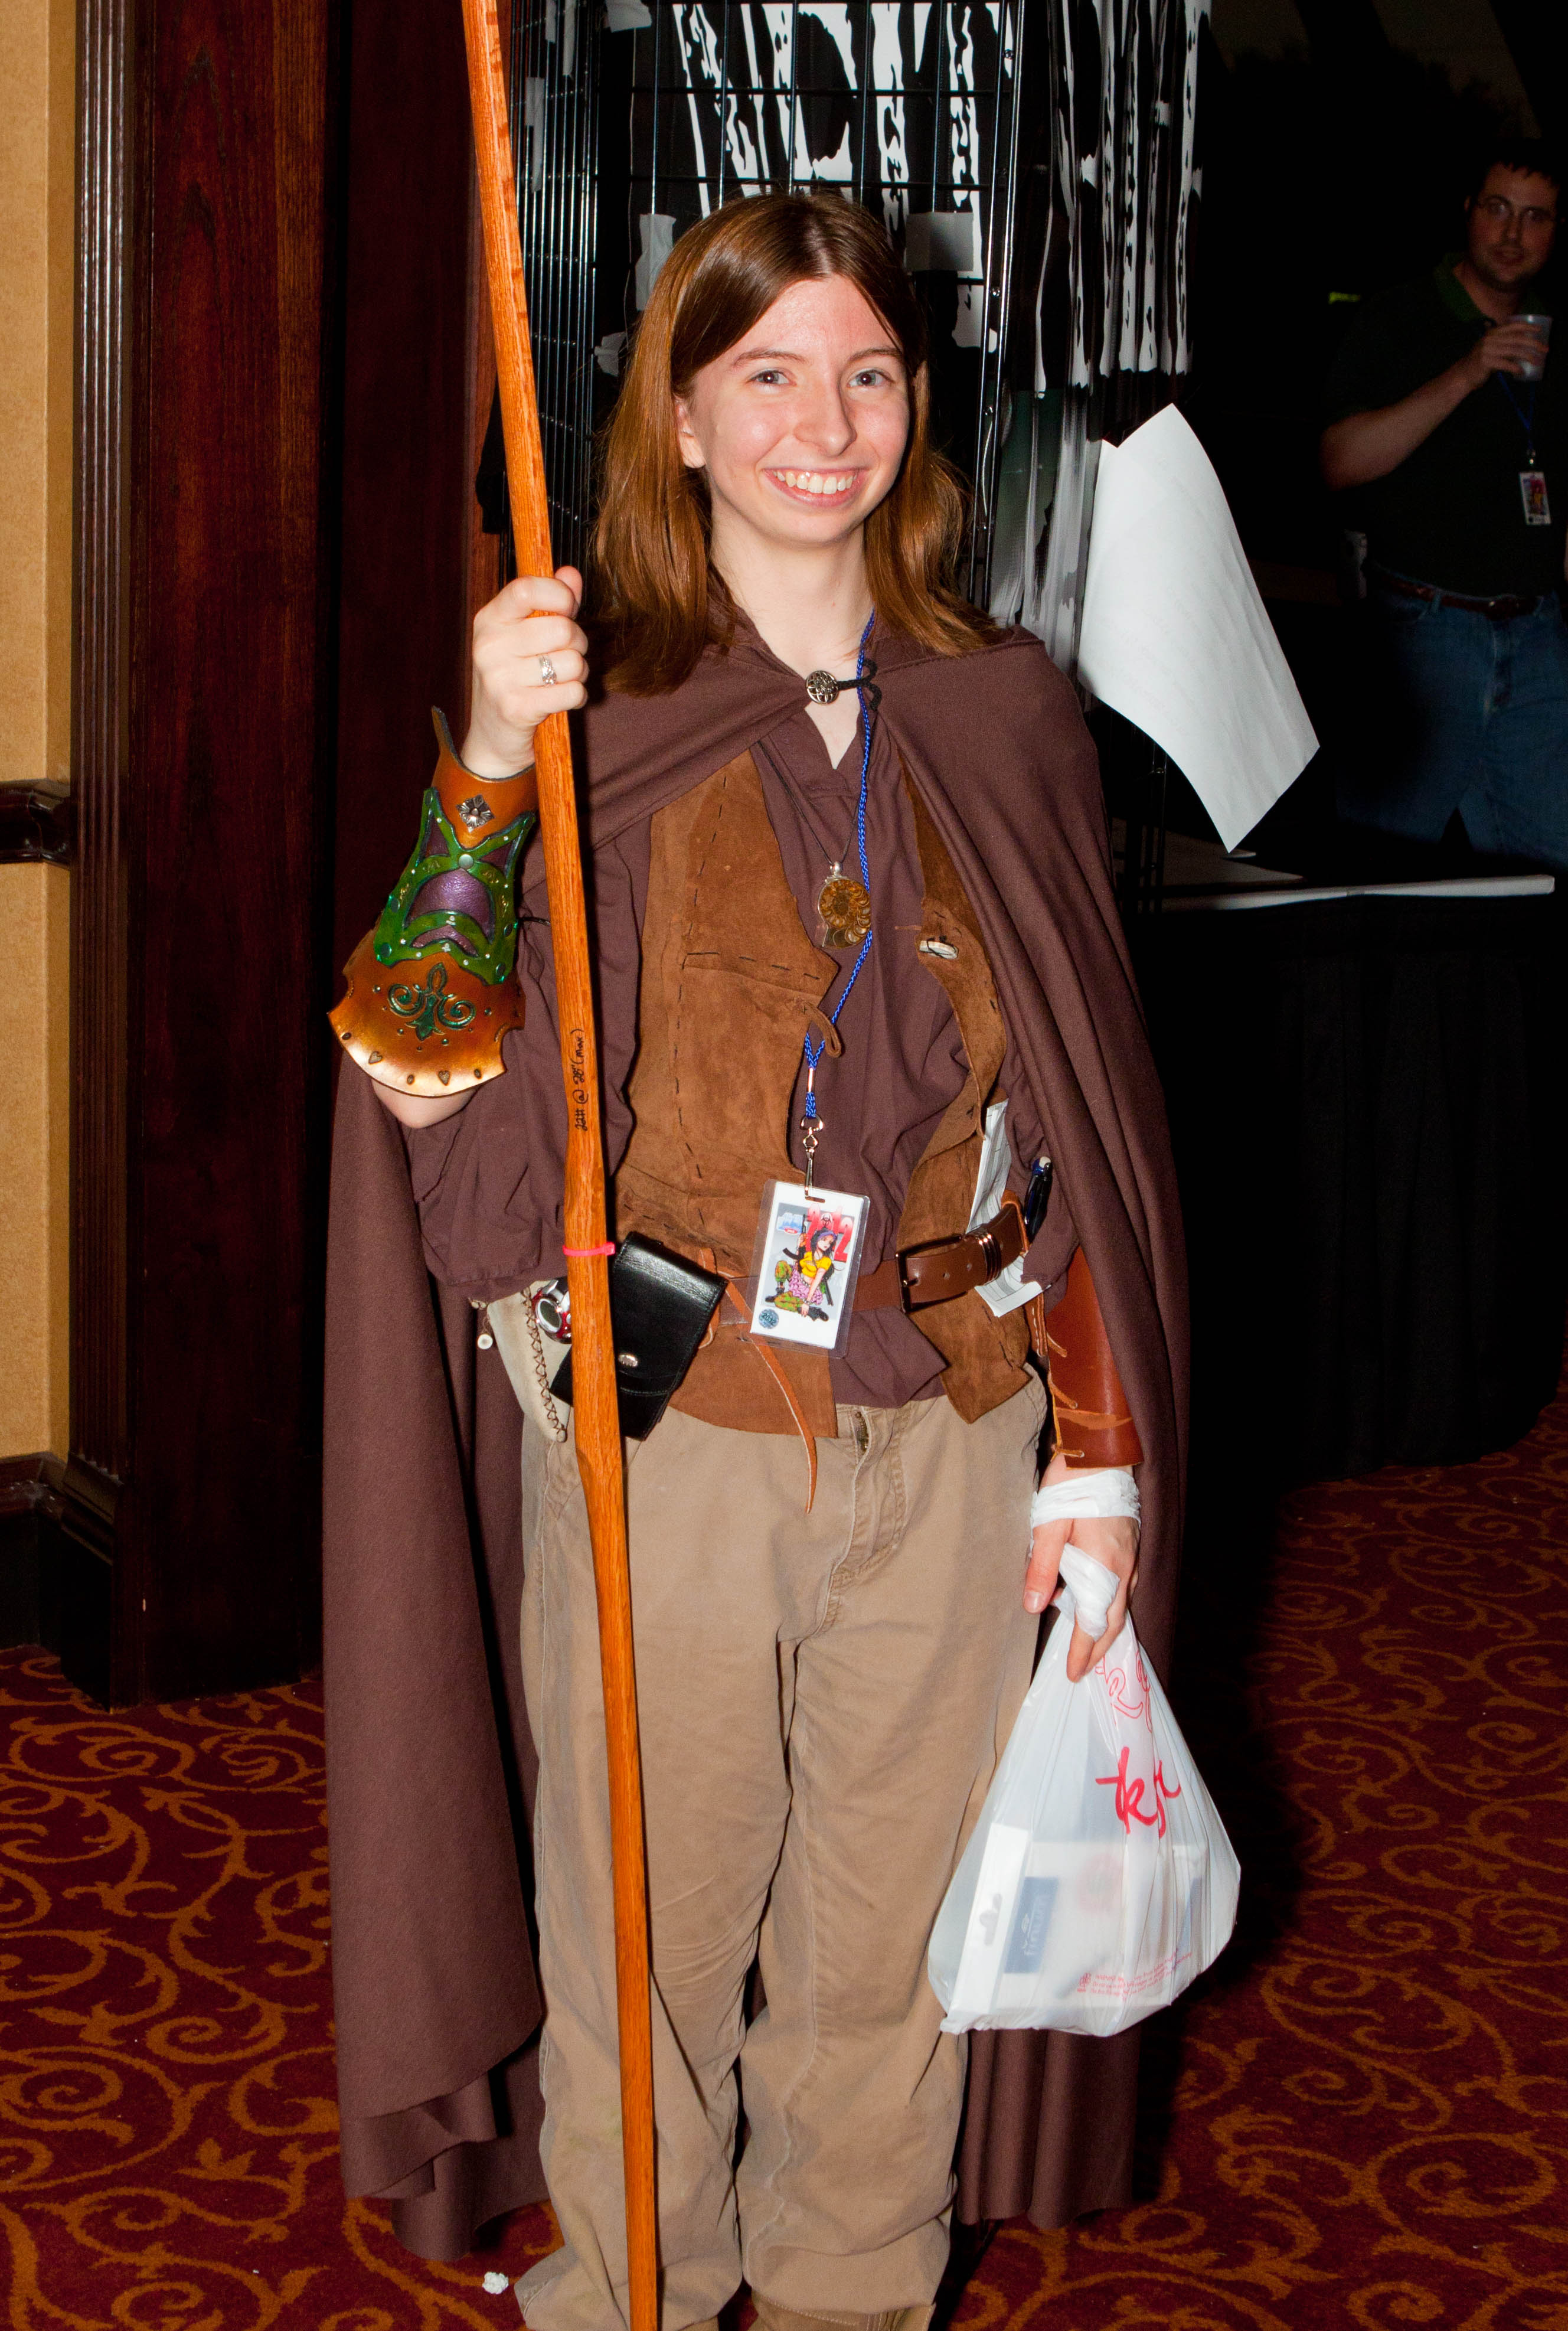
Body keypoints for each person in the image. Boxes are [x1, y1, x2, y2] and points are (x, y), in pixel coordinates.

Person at [322, 194, 1188, 2331]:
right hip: (676, 1433)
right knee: (651, 1949)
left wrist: (1094, 1447)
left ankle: (849, 2301)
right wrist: (478, 769)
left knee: (888, 1969)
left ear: (917, 404)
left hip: (956, 1431)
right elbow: (419, 1066)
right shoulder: (590, 713)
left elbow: (1079, 1123)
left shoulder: (1002, 710)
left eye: (867, 372)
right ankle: (627, 2296)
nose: (825, 422)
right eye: (769, 375)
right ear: (685, 418)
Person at [1320, 139, 1568, 1145]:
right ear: (1468, 210)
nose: (1513, 232)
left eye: (1536, 215)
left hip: (1536, 637)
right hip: (1424, 632)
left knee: (1555, 872)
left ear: (1558, 233)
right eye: (1499, 208)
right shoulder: (1399, 320)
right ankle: (1351, 1088)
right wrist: (1467, 373)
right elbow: (1342, 462)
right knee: (1382, 875)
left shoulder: (1560, 341)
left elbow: (1562, 488)